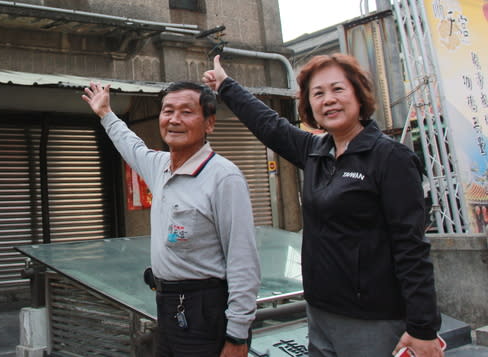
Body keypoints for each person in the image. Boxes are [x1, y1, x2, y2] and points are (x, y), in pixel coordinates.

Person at [202, 54, 443, 357]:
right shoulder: (316, 151)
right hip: (319, 311)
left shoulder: (390, 158)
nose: (328, 100)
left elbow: (411, 247)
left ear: (358, 95)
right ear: (309, 105)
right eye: (318, 93)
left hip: (372, 319)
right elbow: (269, 125)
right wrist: (226, 86)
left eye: (338, 90)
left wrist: (423, 328)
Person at [81, 80, 260, 357]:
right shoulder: (160, 166)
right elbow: (131, 146)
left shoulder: (224, 177)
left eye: (186, 112)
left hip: (205, 310)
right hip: (167, 305)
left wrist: (237, 335)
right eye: (168, 111)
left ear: (209, 124)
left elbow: (243, 260)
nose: (174, 119)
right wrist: (106, 113)